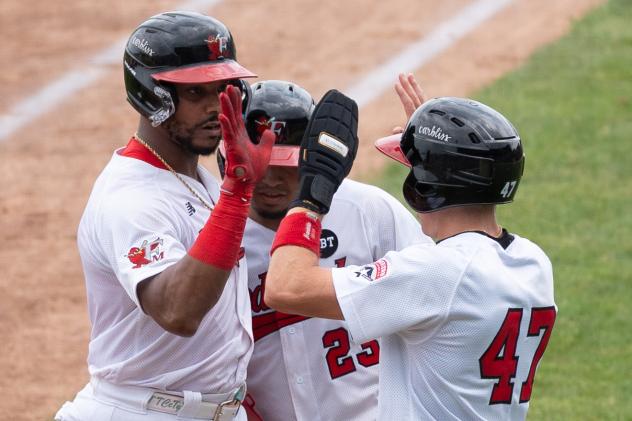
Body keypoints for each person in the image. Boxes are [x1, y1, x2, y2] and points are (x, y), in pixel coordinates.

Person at [263, 92, 557, 420]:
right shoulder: (533, 262)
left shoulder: (434, 273)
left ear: (426, 186)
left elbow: (285, 287)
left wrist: (311, 195)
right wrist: (436, 147)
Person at [55, 11, 274, 421]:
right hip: (140, 412)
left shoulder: (200, 182)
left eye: (225, 88)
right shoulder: (132, 198)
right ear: (152, 95)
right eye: (195, 94)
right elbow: (179, 311)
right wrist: (239, 191)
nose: (216, 107)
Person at [216, 79, 432, 420]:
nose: (270, 179)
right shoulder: (216, 237)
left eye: (285, 164)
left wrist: (435, 180)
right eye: (260, 162)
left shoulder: (367, 211)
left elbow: (440, 286)